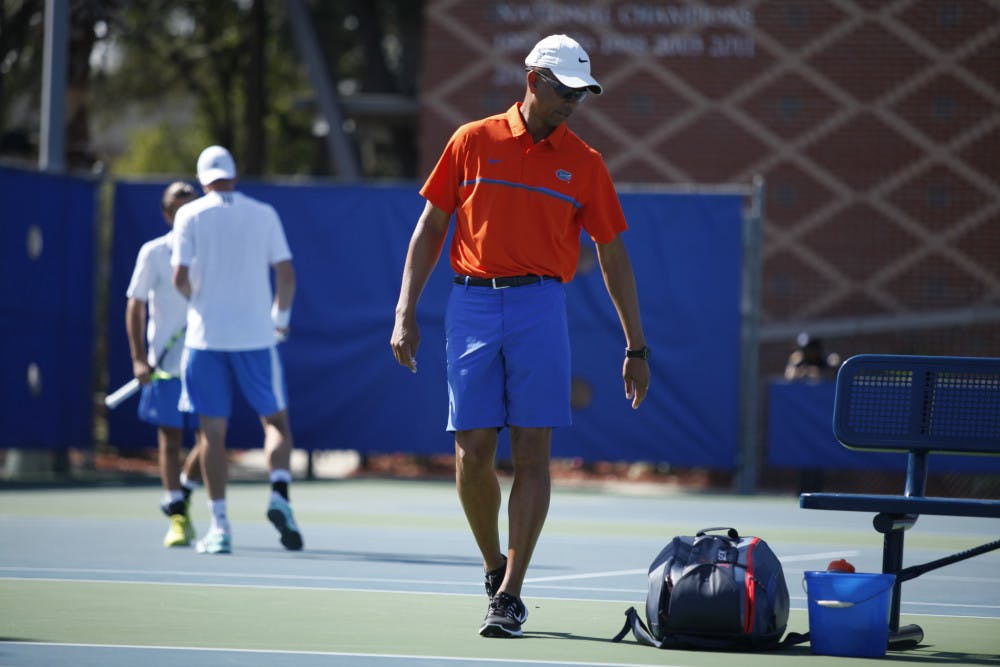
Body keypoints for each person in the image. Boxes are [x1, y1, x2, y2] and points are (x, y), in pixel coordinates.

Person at [390, 34, 650, 638]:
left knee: (533, 452)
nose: (573, 104)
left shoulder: (585, 162)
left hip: (541, 307)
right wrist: (405, 311)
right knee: (472, 452)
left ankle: (510, 596)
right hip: (471, 306)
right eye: (564, 91)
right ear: (534, 81)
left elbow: (612, 254)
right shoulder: (471, 141)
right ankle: (493, 566)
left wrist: (636, 347)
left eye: (582, 95)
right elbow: (431, 227)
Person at [171, 145, 302, 555]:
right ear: (233, 175)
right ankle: (279, 494)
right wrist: (280, 319)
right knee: (276, 422)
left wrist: (200, 305)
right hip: (257, 338)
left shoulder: (188, 214)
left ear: (202, 179)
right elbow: (287, 276)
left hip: (205, 340)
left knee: (212, 434)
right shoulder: (264, 213)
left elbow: (179, 278)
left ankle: (220, 527)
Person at [125, 181, 204, 547]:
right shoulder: (153, 253)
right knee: (170, 440)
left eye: (191, 204)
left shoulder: (212, 251)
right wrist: (139, 358)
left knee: (210, 439)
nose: (185, 211)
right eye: (178, 206)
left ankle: (181, 490)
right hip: (164, 364)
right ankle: (176, 515)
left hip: (207, 357)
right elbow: (135, 305)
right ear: (167, 214)